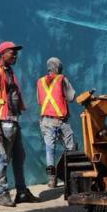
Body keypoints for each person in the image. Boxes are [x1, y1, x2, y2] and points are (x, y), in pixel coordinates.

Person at [0, 41, 40, 207]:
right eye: (12, 52)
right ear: (3, 53)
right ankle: (2, 194)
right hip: (4, 122)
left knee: (19, 157)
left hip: (13, 120)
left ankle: (22, 191)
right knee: (2, 158)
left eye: (16, 52)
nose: (15, 55)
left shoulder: (8, 71)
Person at [37, 57, 77, 188]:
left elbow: (39, 100)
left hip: (46, 121)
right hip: (60, 121)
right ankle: (71, 177)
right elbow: (71, 97)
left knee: (50, 150)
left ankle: (52, 180)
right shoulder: (61, 79)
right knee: (70, 147)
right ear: (59, 68)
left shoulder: (40, 81)